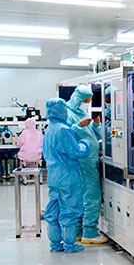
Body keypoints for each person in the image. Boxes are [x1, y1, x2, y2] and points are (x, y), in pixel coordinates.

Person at [43, 98, 90, 253]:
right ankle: (70, 244)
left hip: (53, 176)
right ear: (62, 111)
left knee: (53, 210)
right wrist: (85, 145)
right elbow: (74, 152)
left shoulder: (49, 129)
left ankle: (55, 244)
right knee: (70, 210)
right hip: (67, 177)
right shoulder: (63, 130)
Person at [66, 85, 107, 244]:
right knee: (91, 196)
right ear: (77, 98)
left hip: (89, 160)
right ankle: (89, 232)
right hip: (83, 162)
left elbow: (95, 134)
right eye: (85, 100)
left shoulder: (83, 113)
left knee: (81, 196)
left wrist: (96, 125)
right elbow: (66, 136)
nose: (87, 104)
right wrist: (79, 126)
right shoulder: (68, 115)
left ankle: (78, 231)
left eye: (90, 101)